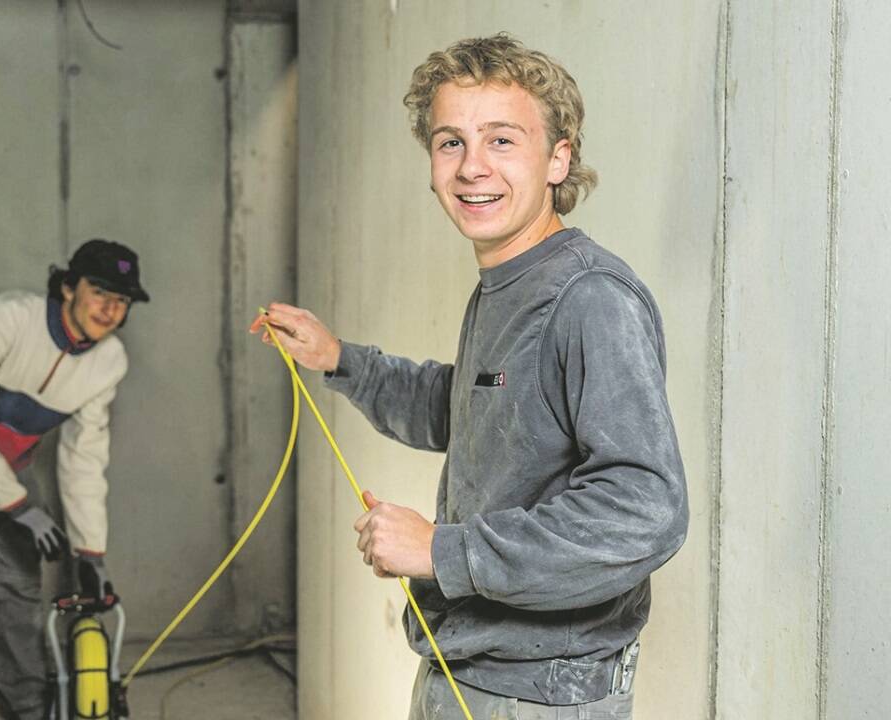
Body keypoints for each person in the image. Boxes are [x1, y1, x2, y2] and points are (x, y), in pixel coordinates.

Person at [252, 34, 688, 719]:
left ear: (559, 158)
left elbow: (643, 510)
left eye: (502, 140)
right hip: (473, 671)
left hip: (538, 696)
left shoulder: (589, 298)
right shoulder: (507, 284)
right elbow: (470, 408)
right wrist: (338, 358)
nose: (470, 167)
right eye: (450, 141)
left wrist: (440, 548)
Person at [0, 239, 149, 719]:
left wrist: (91, 551)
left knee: (16, 587)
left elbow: (84, 457)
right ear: (68, 287)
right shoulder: (3, 319)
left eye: (122, 301)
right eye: (100, 293)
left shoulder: (108, 362)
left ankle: (26, 703)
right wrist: (19, 506)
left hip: (11, 460)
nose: (110, 310)